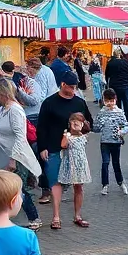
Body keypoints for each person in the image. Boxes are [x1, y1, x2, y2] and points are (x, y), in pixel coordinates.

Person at [35, 74, 92, 229]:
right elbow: (42, 127)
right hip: (54, 148)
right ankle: (56, 216)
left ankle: (78, 215)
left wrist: (81, 135)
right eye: (71, 87)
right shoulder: (49, 103)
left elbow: (89, 123)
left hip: (75, 152)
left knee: (78, 184)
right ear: (63, 84)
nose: (73, 90)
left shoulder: (79, 102)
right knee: (56, 183)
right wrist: (42, 147)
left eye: (75, 87)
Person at [0, 78, 42, 230]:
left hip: (15, 156)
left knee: (17, 188)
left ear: (3, 93)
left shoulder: (15, 110)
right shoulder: (2, 110)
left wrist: (13, 159)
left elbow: (20, 136)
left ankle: (34, 217)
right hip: (1, 153)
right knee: (4, 188)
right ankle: (3, 218)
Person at [58, 112, 92, 228]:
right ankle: (56, 214)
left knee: (79, 188)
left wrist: (80, 129)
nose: (76, 124)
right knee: (61, 186)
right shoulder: (67, 135)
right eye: (73, 122)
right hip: (69, 164)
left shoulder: (84, 136)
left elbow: (86, 133)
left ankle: (77, 214)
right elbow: (63, 145)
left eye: (78, 122)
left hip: (80, 165)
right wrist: (68, 133)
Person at [96, 87, 128, 195]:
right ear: (104, 100)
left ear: (115, 99)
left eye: (111, 101)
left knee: (116, 163)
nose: (109, 103)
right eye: (107, 101)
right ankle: (105, 185)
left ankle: (121, 182)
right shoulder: (101, 113)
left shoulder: (119, 112)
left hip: (115, 142)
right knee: (105, 163)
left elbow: (126, 125)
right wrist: (99, 124)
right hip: (105, 142)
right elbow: (95, 128)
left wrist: (122, 132)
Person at [105, 46, 128, 117]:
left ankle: (118, 119)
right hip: (124, 86)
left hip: (114, 87)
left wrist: (107, 84)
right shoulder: (126, 63)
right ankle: (126, 119)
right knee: (126, 104)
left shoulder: (110, 63)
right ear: (120, 54)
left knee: (117, 105)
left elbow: (107, 75)